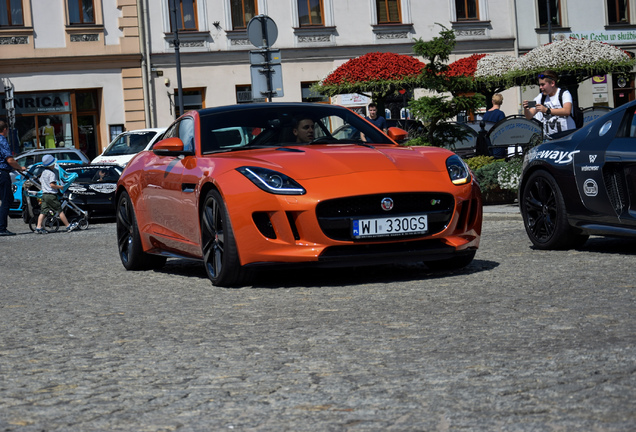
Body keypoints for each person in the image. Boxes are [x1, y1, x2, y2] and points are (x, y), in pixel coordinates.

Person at [523, 70, 575, 139]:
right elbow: (529, 116)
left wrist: (547, 110)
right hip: (549, 139)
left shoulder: (564, 94)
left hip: (567, 137)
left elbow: (567, 111)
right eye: (540, 85)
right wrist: (526, 109)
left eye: (543, 84)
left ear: (552, 83)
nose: (540, 87)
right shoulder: (540, 97)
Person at [35, 154, 78, 234]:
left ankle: (38, 227)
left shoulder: (43, 173)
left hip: (44, 194)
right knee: (59, 210)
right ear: (51, 165)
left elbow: (41, 181)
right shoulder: (52, 174)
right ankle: (68, 225)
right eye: (54, 164)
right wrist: (60, 187)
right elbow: (52, 185)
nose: (55, 165)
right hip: (51, 195)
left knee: (43, 211)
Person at [0, 120, 27, 236]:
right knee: (6, 200)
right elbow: (9, 160)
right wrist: (20, 168)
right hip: (2, 172)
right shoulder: (2, 140)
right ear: (5, 130)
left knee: (8, 198)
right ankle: (1, 228)